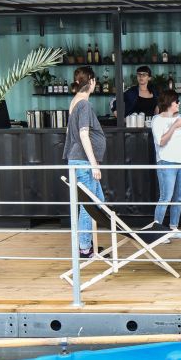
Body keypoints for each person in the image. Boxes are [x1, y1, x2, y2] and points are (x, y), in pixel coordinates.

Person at [64, 66, 106, 260]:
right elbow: (82, 134)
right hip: (83, 162)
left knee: (97, 202)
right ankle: (84, 247)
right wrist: (94, 164)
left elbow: (68, 133)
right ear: (91, 81)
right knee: (89, 206)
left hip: (79, 160)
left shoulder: (74, 102)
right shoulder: (84, 105)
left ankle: (89, 243)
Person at [147, 90, 181, 239]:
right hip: (166, 162)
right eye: (176, 101)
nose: (179, 103)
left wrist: (176, 124)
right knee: (165, 197)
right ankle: (157, 232)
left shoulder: (178, 117)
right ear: (169, 102)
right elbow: (161, 141)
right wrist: (174, 126)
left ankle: (173, 228)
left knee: (179, 197)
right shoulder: (157, 120)